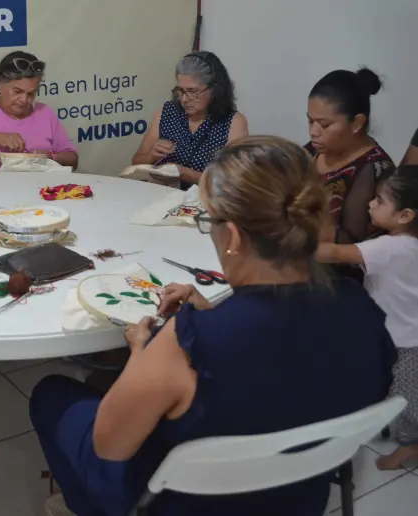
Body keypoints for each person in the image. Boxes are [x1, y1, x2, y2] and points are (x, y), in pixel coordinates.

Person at [31, 136, 396, 516]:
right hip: (299, 496)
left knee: (51, 394)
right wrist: (210, 315)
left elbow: (108, 445)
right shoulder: (362, 312)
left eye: (208, 220)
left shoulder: (189, 342)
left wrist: (142, 353)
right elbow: (292, 371)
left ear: (234, 235)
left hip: (175, 503)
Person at [316, 165, 418, 471]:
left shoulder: (391, 248)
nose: (370, 204)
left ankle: (411, 444)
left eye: (379, 200)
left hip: (405, 341)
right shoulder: (406, 244)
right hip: (401, 331)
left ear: (405, 215)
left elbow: (332, 254)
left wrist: (292, 240)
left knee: (405, 399)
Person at [305, 68, 394, 249]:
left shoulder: (374, 168)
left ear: (357, 123)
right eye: (310, 121)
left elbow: (350, 241)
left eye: (324, 124)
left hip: (342, 273)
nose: (313, 132)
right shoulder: (312, 150)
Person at [131, 51, 248, 189]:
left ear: (215, 89)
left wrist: (183, 173)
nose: (184, 99)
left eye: (193, 91)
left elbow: (234, 183)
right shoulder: (167, 111)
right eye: (180, 90)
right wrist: (152, 156)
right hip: (165, 200)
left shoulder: (233, 122)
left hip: (207, 204)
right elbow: (136, 164)